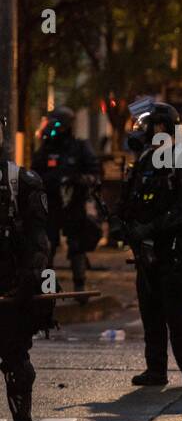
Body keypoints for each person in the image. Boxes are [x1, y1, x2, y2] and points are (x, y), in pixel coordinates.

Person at [111, 102, 182, 388]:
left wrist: (151, 228)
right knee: (150, 310)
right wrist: (120, 225)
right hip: (146, 251)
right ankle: (156, 369)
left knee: (174, 310)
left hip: (174, 249)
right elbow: (126, 200)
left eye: (148, 126)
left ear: (161, 127)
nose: (142, 132)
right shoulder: (143, 161)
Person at [1, 123, 53, 421]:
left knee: (18, 366)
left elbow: (39, 237)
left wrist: (31, 276)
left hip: (10, 288)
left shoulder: (21, 181)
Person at [33, 106, 102, 295]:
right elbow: (34, 174)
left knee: (77, 247)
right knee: (47, 246)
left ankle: (79, 285)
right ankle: (47, 287)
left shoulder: (79, 147)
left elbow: (94, 174)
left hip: (74, 204)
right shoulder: (45, 150)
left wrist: (77, 180)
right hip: (51, 204)